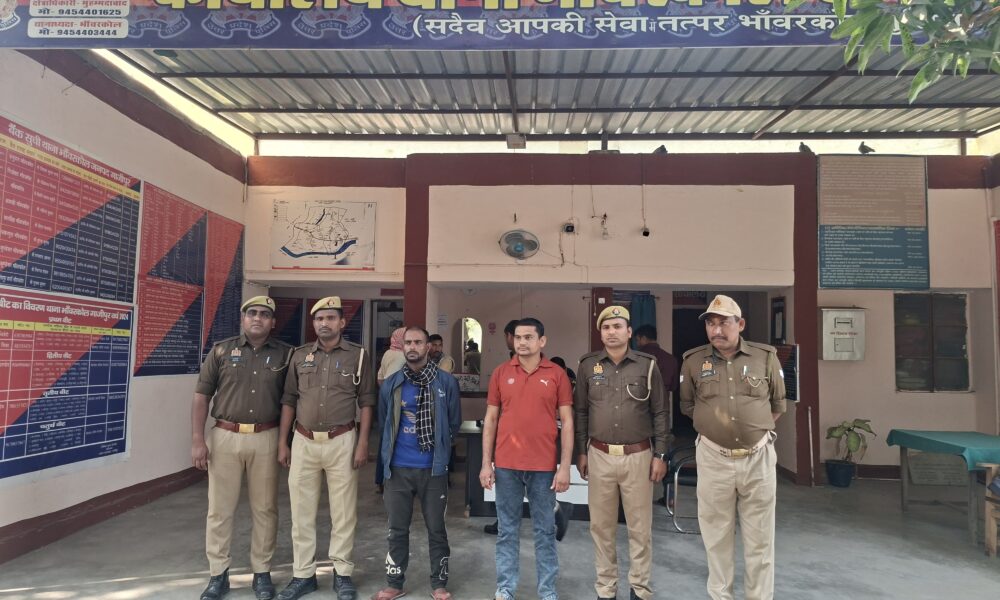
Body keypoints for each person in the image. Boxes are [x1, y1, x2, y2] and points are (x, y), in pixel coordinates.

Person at [679, 294, 785, 600]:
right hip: (714, 458)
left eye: (724, 323)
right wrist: (718, 430)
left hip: (758, 458)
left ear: (740, 324)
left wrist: (751, 431)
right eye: (711, 324)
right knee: (716, 537)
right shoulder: (693, 361)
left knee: (760, 540)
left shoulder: (765, 357)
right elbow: (688, 406)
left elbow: (777, 404)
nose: (716, 330)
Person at [192, 296, 293, 600]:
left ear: (272, 322)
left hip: (266, 437)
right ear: (243, 318)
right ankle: (218, 574)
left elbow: (291, 401)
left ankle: (261, 573)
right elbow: (201, 396)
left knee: (265, 509)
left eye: (265, 314)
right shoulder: (221, 351)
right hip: (225, 437)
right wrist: (197, 439)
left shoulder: (285, 354)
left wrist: (284, 442)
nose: (257, 318)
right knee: (219, 509)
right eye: (252, 313)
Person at [276, 296, 377, 600]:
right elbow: (289, 400)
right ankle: (303, 574)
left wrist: (363, 443)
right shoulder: (299, 355)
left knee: (343, 512)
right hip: (304, 441)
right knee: (301, 512)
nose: (324, 323)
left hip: (342, 440)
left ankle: (342, 573)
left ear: (342, 323)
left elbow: (367, 401)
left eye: (331, 318)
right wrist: (283, 442)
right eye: (319, 318)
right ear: (314, 323)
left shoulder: (358, 356)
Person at [575, 306, 670, 600]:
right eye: (606, 327)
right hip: (599, 454)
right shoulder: (588, 365)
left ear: (629, 332)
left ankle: (640, 588)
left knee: (640, 528)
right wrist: (581, 451)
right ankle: (606, 588)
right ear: (600, 333)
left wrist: (660, 454)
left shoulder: (647, 365)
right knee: (601, 527)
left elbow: (660, 412)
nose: (611, 332)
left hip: (638, 456)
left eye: (617, 326)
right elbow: (581, 411)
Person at [480, 318, 574, 600]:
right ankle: (505, 588)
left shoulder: (557, 374)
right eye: (518, 337)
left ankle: (547, 591)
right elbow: (491, 419)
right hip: (506, 465)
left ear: (541, 341)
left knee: (544, 532)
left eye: (529, 337)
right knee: (507, 531)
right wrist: (486, 463)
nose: (522, 342)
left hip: (543, 467)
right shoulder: (501, 373)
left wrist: (564, 467)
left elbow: (568, 422)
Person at [372, 326, 461, 600]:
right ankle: (394, 583)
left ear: (427, 347)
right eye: (408, 342)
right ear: (403, 347)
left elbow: (454, 423)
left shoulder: (446, 383)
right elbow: (384, 424)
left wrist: (441, 449)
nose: (412, 347)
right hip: (398, 469)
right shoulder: (392, 383)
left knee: (437, 529)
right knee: (397, 529)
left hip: (432, 469)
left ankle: (439, 584)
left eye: (418, 342)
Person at [633, 324, 682, 435]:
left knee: (642, 440)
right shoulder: (671, 359)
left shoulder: (636, 358)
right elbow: (674, 386)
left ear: (643, 338)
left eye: (637, 340)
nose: (637, 344)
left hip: (640, 407)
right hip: (662, 407)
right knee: (661, 438)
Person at [376, 327, 407, 494]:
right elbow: (395, 381)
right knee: (393, 439)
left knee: (385, 437)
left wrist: (384, 394)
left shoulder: (388, 353)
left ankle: (380, 480)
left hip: (384, 399)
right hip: (396, 402)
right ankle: (387, 479)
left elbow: (380, 378)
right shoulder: (401, 356)